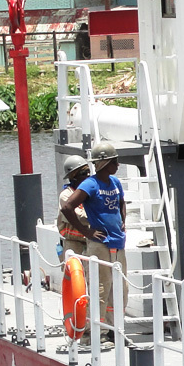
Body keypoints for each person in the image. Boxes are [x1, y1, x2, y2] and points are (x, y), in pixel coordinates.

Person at [62, 140, 127, 341]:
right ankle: (96, 333)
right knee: (101, 289)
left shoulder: (115, 183)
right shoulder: (90, 184)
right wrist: (86, 231)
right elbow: (67, 207)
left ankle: (115, 329)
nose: (117, 165)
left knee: (121, 289)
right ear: (103, 163)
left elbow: (121, 202)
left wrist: (123, 222)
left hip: (118, 243)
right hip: (100, 245)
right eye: (114, 161)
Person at [55, 155, 91, 263]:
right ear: (73, 176)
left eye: (88, 172)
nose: (88, 176)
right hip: (74, 243)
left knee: (92, 274)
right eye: (83, 174)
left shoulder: (90, 192)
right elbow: (81, 217)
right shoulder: (66, 195)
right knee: (74, 275)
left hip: (90, 241)